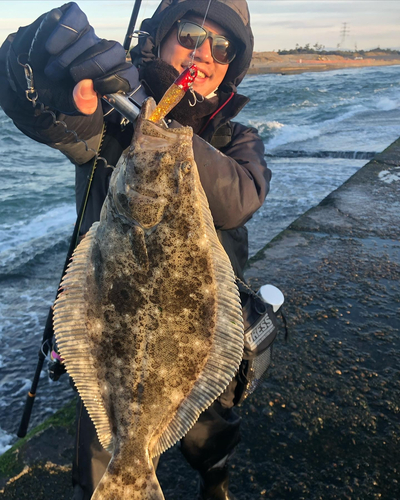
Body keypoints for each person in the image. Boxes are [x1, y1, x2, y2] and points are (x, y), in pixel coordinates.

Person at [0, 1, 271, 498]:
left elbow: (237, 199)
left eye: (222, 46)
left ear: (232, 64)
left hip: (195, 334)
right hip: (113, 335)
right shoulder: (110, 117)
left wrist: (152, 110)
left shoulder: (237, 137)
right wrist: (32, 68)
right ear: (159, 38)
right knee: (103, 465)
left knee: (208, 437)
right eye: (189, 34)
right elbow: (59, 120)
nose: (202, 53)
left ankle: (216, 480)